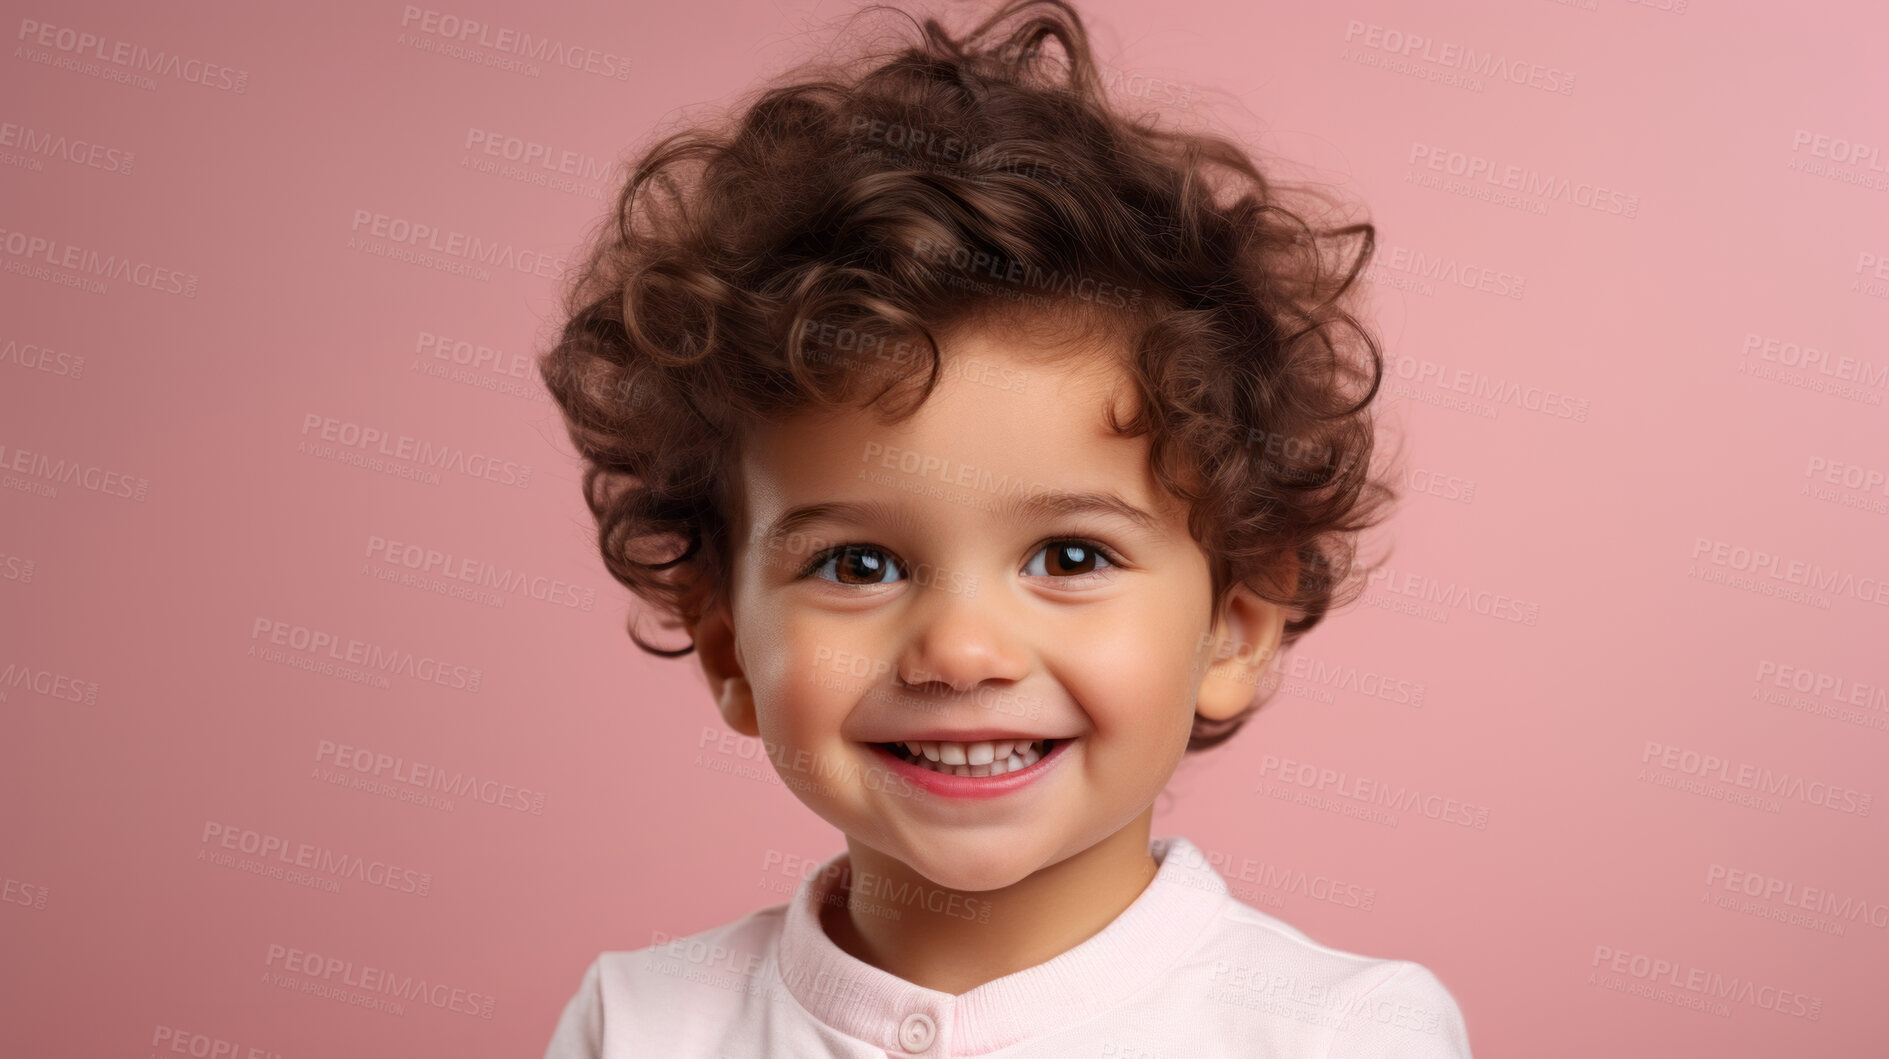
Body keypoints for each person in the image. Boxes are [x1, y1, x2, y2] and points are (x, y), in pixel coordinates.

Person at [536, 0, 1471, 1053]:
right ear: (726, 644)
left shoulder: (1341, 1035)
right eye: (858, 562)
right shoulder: (639, 1023)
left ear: (1238, 623)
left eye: (1070, 556)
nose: (960, 651)